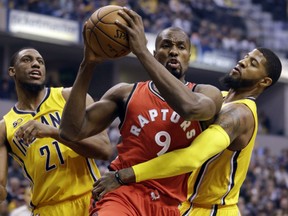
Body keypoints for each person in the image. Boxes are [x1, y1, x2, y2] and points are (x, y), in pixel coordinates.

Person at [91, 25, 282, 215]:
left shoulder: (240, 114)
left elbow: (191, 157)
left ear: (264, 82)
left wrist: (125, 175)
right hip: (184, 205)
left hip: (213, 210)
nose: (242, 62)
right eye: (246, 57)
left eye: (253, 64)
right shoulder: (218, 98)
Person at [59, 8, 223, 216]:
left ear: (188, 57)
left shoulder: (206, 93)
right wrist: (88, 64)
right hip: (123, 193)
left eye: (181, 47)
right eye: (166, 45)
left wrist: (141, 52)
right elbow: (70, 131)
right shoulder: (125, 93)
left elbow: (191, 109)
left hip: (170, 205)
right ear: (156, 54)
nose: (174, 51)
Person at [0, 47, 112, 216]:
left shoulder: (70, 97)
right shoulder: (4, 127)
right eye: (27, 60)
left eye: (40, 61)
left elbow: (104, 150)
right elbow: (1, 189)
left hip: (90, 200)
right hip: (47, 209)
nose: (36, 64)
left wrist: (53, 132)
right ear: (12, 71)